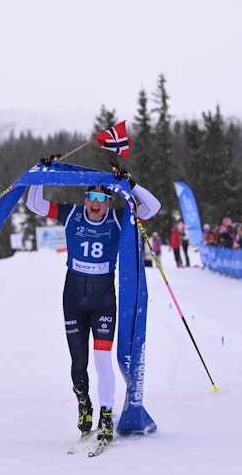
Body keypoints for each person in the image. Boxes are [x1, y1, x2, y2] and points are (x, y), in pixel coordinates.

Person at [25, 163, 161, 443]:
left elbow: (152, 207)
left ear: (109, 202)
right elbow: (35, 203)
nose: (96, 204)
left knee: (102, 360)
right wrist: (39, 172)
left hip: (103, 299)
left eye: (102, 199)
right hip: (73, 296)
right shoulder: (71, 213)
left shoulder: (119, 218)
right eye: (92, 198)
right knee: (78, 363)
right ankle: (83, 403)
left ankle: (106, 416)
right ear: (85, 199)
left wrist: (131, 184)